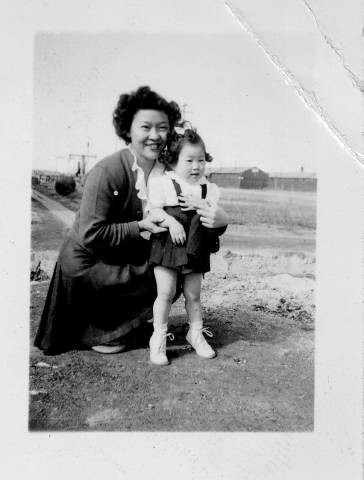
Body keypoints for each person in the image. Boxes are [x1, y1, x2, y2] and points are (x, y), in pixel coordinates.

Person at [34, 86, 228, 355]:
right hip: (88, 265)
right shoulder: (107, 171)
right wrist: (139, 227)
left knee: (173, 264)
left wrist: (220, 220)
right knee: (160, 269)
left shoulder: (166, 170)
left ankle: (126, 324)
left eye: (162, 128)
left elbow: (198, 211)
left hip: (119, 253)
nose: (154, 135)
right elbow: (91, 234)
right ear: (128, 130)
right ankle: (105, 328)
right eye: (145, 127)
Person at [147, 127, 225, 366]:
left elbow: (215, 216)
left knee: (193, 294)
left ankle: (195, 333)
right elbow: (153, 210)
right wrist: (170, 222)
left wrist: (201, 204)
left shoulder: (208, 188)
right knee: (166, 293)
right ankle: (158, 338)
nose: (196, 166)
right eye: (189, 160)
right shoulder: (164, 183)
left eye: (201, 160)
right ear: (173, 160)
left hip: (195, 245)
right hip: (169, 244)